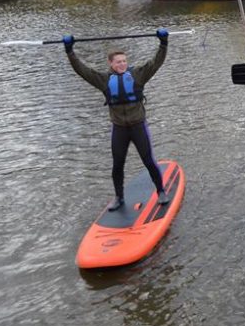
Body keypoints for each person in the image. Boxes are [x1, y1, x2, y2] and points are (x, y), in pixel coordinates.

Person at [63, 29, 170, 211]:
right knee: (117, 163)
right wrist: (70, 51)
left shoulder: (138, 75)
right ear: (110, 63)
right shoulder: (103, 80)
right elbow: (82, 70)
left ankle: (160, 191)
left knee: (148, 160)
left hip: (138, 126)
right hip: (119, 128)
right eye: (118, 62)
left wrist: (163, 44)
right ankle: (119, 197)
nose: (122, 64)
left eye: (124, 61)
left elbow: (156, 63)